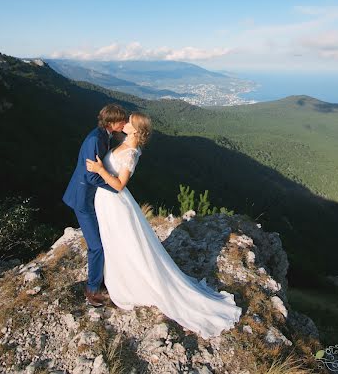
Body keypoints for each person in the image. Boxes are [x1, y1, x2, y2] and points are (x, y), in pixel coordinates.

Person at [86, 111, 242, 339]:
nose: (125, 122)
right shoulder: (124, 143)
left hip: (115, 202)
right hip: (107, 202)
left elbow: (119, 185)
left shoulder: (130, 153)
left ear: (135, 129)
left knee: (125, 242)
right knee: (114, 241)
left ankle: (132, 283)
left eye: (129, 122)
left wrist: (100, 170)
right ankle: (119, 278)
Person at [63, 103, 128, 307]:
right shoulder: (96, 140)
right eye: (122, 121)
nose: (125, 123)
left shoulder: (101, 135)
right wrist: (116, 187)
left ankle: (101, 279)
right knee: (96, 246)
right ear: (112, 122)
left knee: (102, 239)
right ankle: (92, 290)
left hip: (87, 195)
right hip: (83, 197)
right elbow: (92, 177)